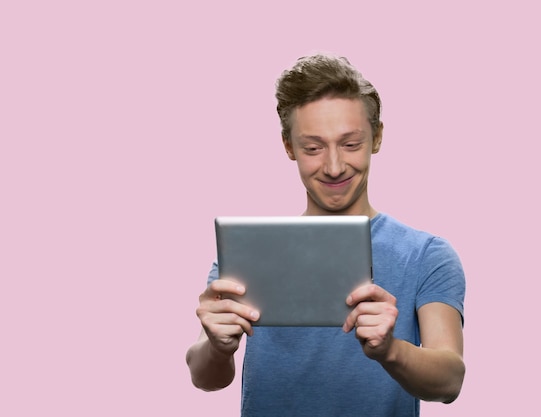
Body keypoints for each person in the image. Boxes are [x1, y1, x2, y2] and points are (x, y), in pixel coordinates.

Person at [186, 53, 466, 417]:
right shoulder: (249, 252)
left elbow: (450, 380)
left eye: (350, 144)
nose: (334, 167)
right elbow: (205, 378)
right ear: (289, 147)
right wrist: (216, 346)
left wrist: (390, 350)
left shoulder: (426, 254)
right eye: (313, 148)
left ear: (377, 137)